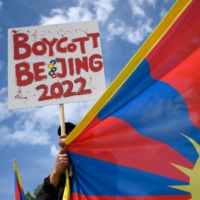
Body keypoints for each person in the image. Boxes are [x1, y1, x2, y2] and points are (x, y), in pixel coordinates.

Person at [36, 122, 76, 200]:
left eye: (72, 136)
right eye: (66, 137)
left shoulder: (96, 163)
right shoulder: (60, 175)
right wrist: (56, 172)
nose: (64, 140)